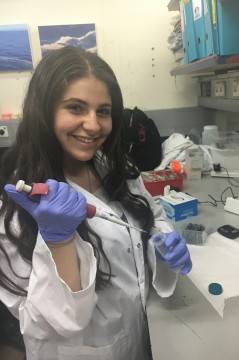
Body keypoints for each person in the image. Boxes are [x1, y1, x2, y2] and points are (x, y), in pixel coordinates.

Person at [0, 45, 192, 360]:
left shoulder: (115, 167)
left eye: (103, 111)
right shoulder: (19, 205)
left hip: (139, 332)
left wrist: (162, 240)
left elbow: (150, 214)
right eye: (76, 108)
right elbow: (47, 323)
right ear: (44, 111)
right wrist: (58, 241)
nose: (93, 125)